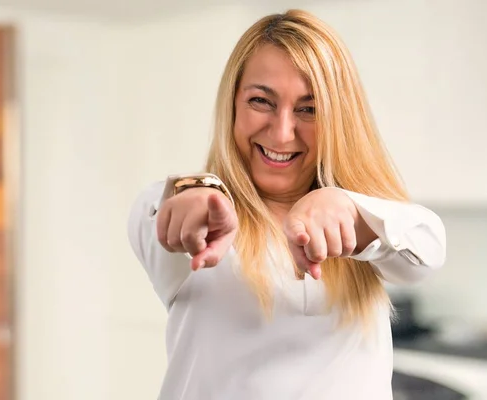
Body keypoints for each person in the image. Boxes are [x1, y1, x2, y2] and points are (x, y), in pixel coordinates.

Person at [127, 9, 446, 400]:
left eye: (308, 109)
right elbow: (163, 214)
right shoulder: (193, 218)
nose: (281, 132)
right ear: (232, 106)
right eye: (262, 101)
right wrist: (199, 191)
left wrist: (345, 207)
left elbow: (428, 248)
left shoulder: (364, 223)